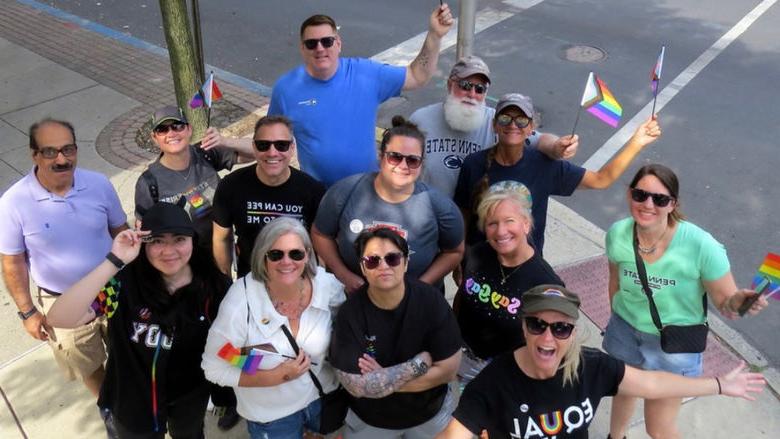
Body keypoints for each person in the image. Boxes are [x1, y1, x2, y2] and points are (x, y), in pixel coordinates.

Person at [436, 285, 766, 439]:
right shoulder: (494, 383)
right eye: (538, 325)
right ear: (524, 327)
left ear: (572, 331)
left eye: (561, 328)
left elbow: (652, 384)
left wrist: (720, 385)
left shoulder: (590, 366)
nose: (548, 338)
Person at [603, 164, 770, 439]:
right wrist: (616, 320)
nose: (647, 204)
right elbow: (615, 282)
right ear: (629, 194)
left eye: (659, 199)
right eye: (640, 195)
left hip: (673, 344)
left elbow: (727, 304)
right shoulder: (618, 234)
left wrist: (739, 301)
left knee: (659, 428)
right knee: (622, 389)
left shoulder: (702, 246)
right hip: (624, 330)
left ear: (673, 204)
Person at [202, 5, 454, 186]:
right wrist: (226, 141)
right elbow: (269, 146)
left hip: (367, 189)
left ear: (338, 43)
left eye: (327, 41)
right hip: (318, 195)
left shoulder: (366, 73)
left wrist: (434, 35)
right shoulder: (287, 89)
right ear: (302, 48)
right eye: (311, 43)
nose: (320, 48)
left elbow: (417, 76)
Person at [46, 201, 232, 439]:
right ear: (143, 244)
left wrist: (251, 374)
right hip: (134, 403)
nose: (169, 250)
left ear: (193, 241)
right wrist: (115, 260)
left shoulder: (215, 287)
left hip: (190, 397)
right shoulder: (123, 286)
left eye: (179, 239)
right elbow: (59, 317)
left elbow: (229, 346)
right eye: (157, 241)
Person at [0, 118, 127, 398]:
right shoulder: (13, 203)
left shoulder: (99, 184)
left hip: (111, 288)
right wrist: (28, 312)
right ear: (34, 154)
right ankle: (109, 407)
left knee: (127, 351)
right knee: (86, 363)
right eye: (50, 151)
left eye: (68, 149)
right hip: (61, 300)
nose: (61, 159)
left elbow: (120, 231)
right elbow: (12, 262)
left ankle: (129, 401)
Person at [454, 93, 662, 253]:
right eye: (505, 118)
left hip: (525, 268)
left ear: (530, 128)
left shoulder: (545, 165)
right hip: (479, 263)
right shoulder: (473, 164)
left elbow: (601, 180)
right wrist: (460, 258)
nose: (513, 125)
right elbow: (463, 215)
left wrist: (637, 142)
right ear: (494, 125)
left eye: (521, 120)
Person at [202, 217, 346, 438]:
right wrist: (274, 376)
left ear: (308, 254)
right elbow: (216, 364)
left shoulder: (326, 287)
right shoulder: (242, 301)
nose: (286, 262)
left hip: (321, 400)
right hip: (272, 417)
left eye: (296, 253)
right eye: (276, 254)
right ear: (263, 257)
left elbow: (351, 319)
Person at [329, 227, 462, 438]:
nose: (383, 266)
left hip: (429, 416)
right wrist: (415, 366)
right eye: (373, 260)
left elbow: (449, 369)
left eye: (392, 258)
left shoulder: (431, 301)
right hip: (370, 421)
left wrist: (382, 379)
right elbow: (355, 386)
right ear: (363, 268)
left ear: (406, 263)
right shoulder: (350, 312)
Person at [312, 116, 464, 293]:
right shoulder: (345, 192)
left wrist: (421, 286)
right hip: (355, 301)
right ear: (380, 156)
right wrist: (342, 273)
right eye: (395, 157)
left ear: (422, 164)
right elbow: (320, 233)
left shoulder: (440, 206)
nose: (403, 165)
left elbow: (454, 252)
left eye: (412, 160)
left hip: (414, 306)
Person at [409, 55, 578, 197]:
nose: (472, 94)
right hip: (428, 218)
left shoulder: (499, 123)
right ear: (450, 84)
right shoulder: (420, 120)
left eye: (480, 89)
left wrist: (557, 147)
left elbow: (540, 140)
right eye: (465, 85)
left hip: (473, 223)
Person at [454, 181, 563, 383]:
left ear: (526, 223)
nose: (501, 231)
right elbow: (462, 297)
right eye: (492, 223)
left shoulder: (546, 284)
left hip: (505, 374)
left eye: (509, 221)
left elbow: (550, 344)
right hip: (461, 359)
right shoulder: (476, 254)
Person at [211, 115, 325, 278]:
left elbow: (321, 244)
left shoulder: (312, 190)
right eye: (263, 145)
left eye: (281, 145)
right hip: (252, 280)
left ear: (292, 148)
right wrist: (225, 281)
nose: (272, 153)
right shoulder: (231, 186)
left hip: (297, 280)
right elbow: (221, 239)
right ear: (254, 148)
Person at [135, 106, 255, 249]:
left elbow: (257, 151)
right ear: (154, 138)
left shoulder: (205, 153)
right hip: (183, 259)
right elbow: (146, 235)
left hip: (221, 249)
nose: (171, 133)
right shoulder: (148, 183)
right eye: (162, 130)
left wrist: (225, 141)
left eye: (177, 126)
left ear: (189, 129)